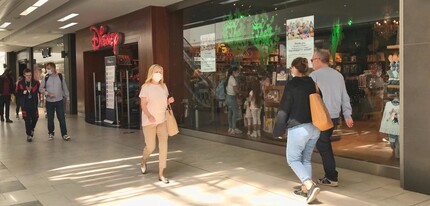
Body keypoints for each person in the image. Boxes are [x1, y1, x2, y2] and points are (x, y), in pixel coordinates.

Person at [273, 57, 321, 204]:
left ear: (294, 68)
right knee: (305, 159)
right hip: (315, 127)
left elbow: (284, 109)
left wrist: (278, 130)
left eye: (291, 67)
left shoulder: (292, 85)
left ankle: (309, 185)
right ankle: (306, 190)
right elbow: (319, 101)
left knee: (293, 159)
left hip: (299, 128)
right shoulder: (312, 83)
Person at [309, 49, 354, 187]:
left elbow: (309, 98)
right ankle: (328, 175)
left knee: (322, 145)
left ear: (318, 60)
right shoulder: (338, 75)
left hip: (318, 116)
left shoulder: (314, 76)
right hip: (333, 116)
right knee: (323, 144)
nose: (312, 63)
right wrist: (347, 114)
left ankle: (331, 176)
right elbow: (344, 96)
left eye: (312, 60)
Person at [139, 64, 175, 184]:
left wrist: (168, 101)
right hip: (149, 122)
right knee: (151, 147)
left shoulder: (163, 87)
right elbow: (143, 104)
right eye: (156, 71)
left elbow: (162, 102)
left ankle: (161, 174)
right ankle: (143, 160)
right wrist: (149, 115)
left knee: (164, 147)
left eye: (161, 71)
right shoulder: (146, 87)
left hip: (162, 121)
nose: (159, 73)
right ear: (151, 73)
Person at [39, 62, 71, 141]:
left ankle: (64, 134)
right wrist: (47, 93)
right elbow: (40, 89)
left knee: (61, 118)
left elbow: (65, 88)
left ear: (53, 68)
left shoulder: (60, 77)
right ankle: (51, 133)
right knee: (50, 118)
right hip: (49, 102)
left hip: (59, 101)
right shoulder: (46, 78)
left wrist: (68, 98)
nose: (48, 70)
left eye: (49, 68)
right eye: (47, 68)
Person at [17, 69, 40, 142]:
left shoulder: (36, 82)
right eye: (27, 75)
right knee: (26, 120)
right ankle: (29, 135)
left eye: (30, 75)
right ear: (24, 75)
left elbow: (40, 90)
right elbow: (17, 93)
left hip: (33, 104)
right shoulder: (20, 83)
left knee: (35, 118)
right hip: (25, 104)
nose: (29, 77)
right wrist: (22, 93)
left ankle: (32, 128)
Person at [225, 66, 242, 134]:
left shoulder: (229, 78)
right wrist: (240, 93)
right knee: (235, 113)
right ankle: (234, 128)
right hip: (232, 97)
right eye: (237, 72)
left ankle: (230, 127)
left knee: (230, 113)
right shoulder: (232, 79)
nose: (238, 73)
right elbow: (235, 90)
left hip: (228, 97)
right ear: (233, 72)